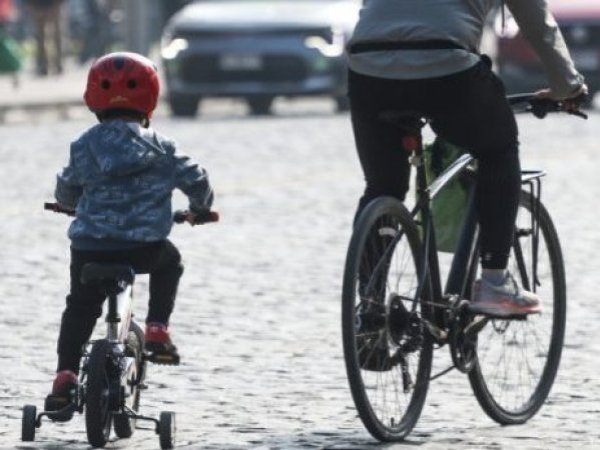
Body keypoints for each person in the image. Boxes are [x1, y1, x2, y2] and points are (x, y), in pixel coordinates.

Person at [346, 0, 587, 318]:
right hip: (447, 66)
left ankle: (370, 306)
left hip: (367, 66)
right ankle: (494, 283)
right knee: (498, 151)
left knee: (383, 185)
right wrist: (567, 87)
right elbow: (538, 25)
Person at [45, 52, 214, 410]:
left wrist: (67, 203)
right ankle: (157, 328)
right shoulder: (163, 147)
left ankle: (65, 375)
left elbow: (67, 187)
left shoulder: (83, 145)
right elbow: (197, 179)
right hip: (144, 249)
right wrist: (199, 209)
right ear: (150, 98)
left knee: (80, 306)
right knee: (171, 263)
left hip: (90, 248)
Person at [22, 0, 64, 75]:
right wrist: (33, 8)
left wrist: (57, 6)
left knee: (56, 37)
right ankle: (43, 65)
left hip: (54, 6)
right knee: (40, 38)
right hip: (38, 7)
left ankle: (58, 63)